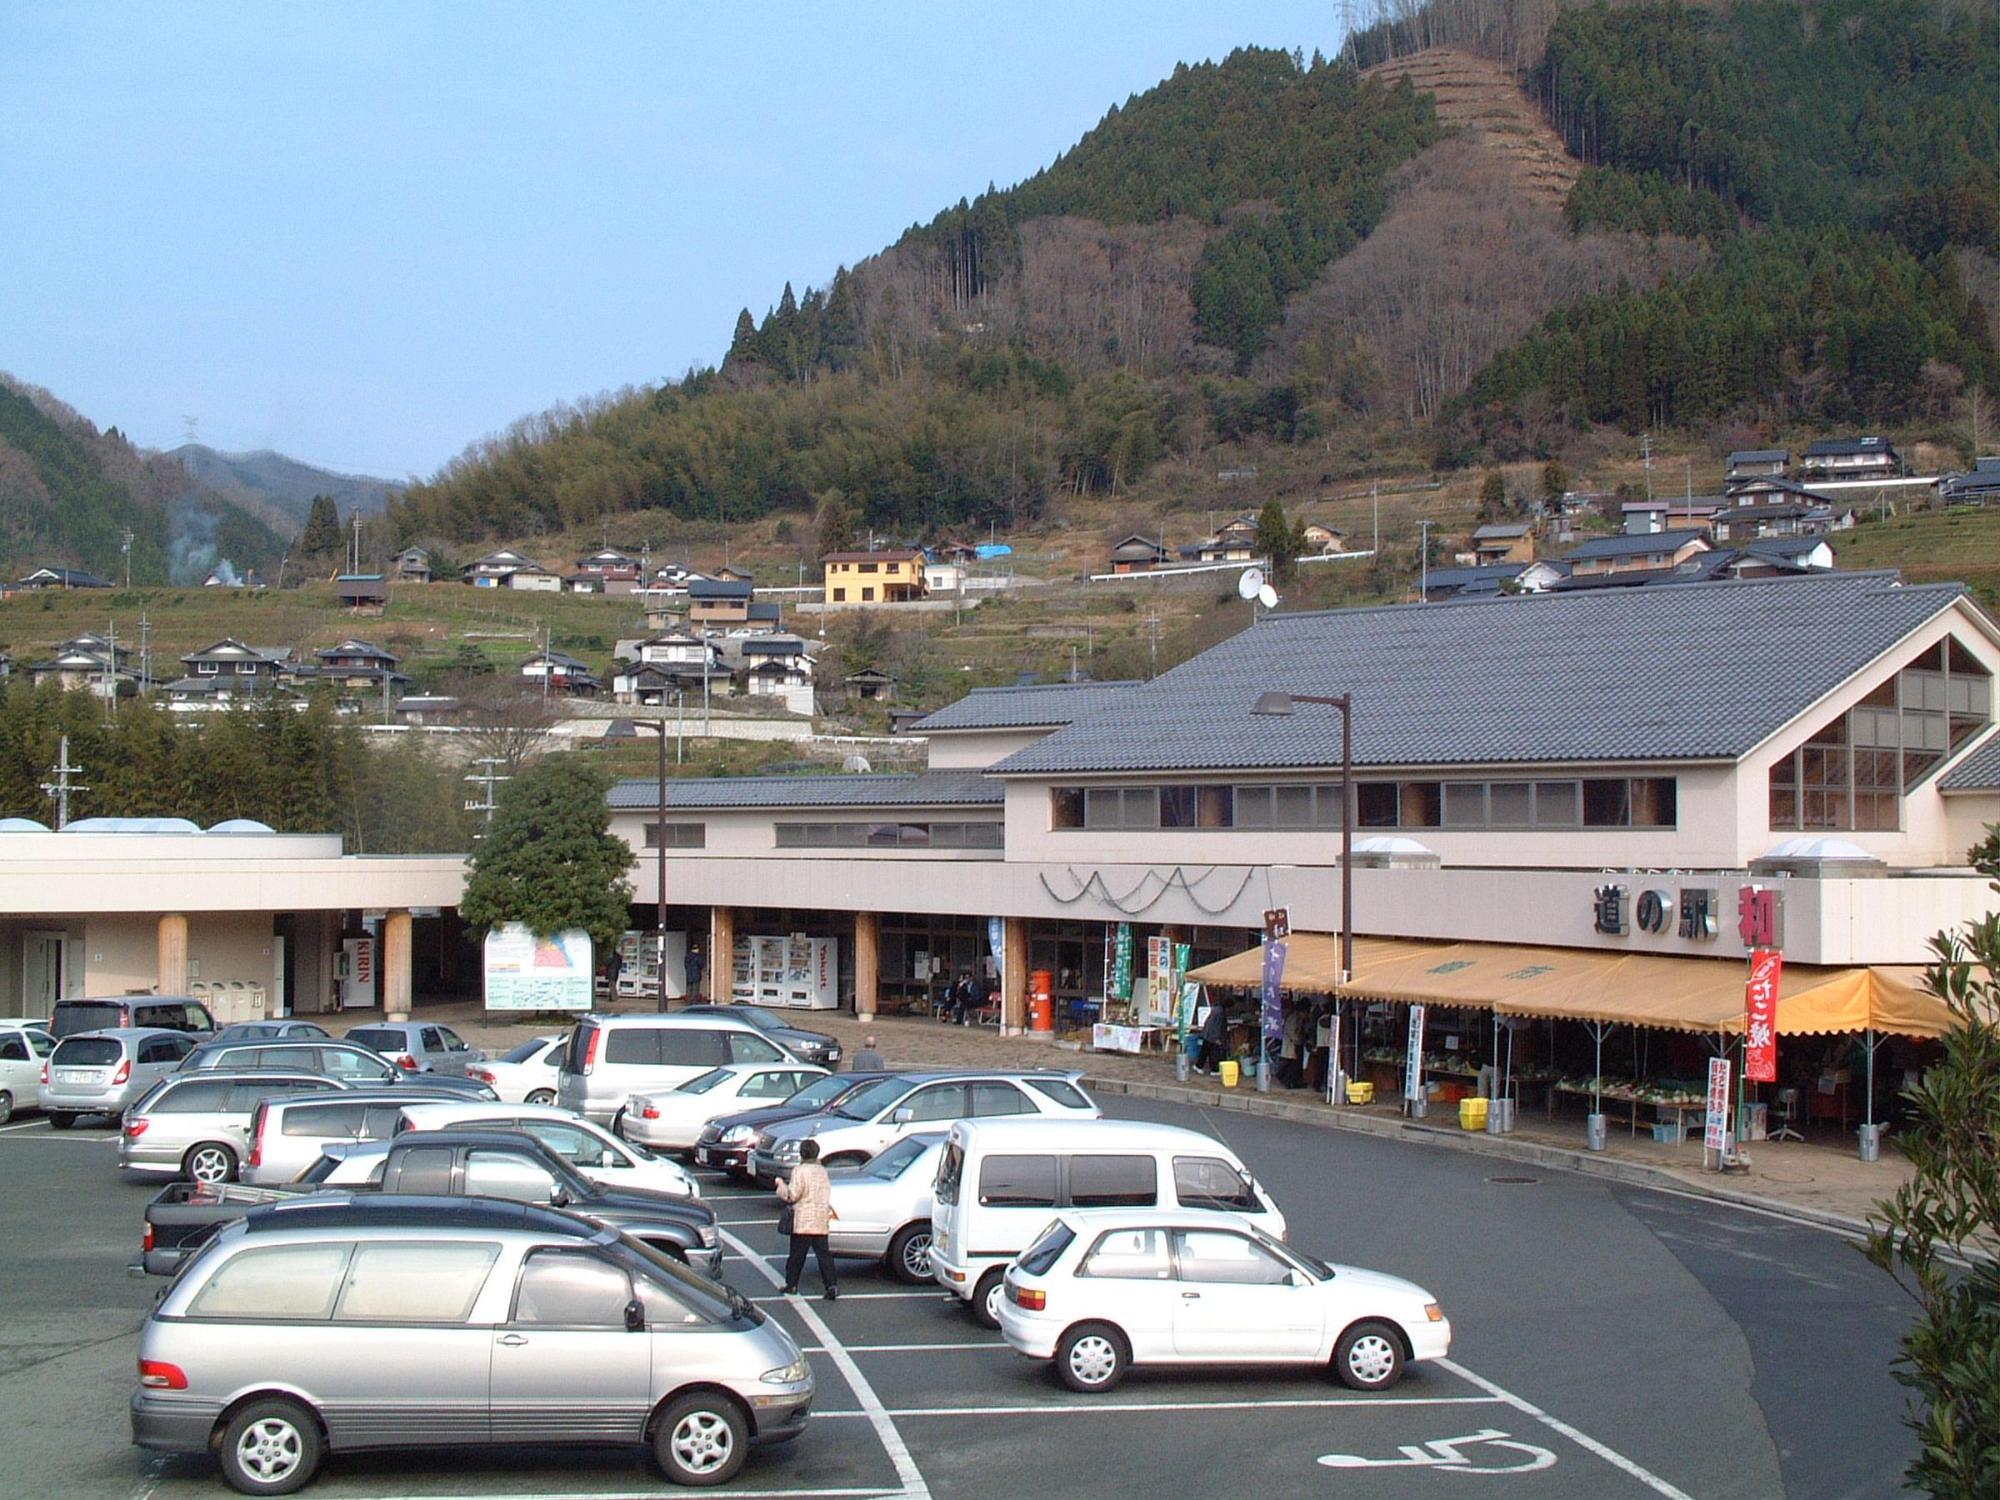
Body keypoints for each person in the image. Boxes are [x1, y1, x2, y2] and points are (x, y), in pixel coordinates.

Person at [775, 1138, 837, 1300]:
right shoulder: (822, 1171)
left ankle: (792, 1285)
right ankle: (831, 1285)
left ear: (802, 1154)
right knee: (824, 1255)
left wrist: (780, 1184)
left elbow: (792, 1195)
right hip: (820, 1218)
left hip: (803, 1219)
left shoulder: (800, 1171)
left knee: (796, 1255)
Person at [1200, 995, 1229, 1075]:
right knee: (1214, 1053)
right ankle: (1214, 1070)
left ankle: (1198, 1066)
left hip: (1207, 1033)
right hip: (1212, 1035)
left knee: (1205, 1050)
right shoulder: (1220, 1012)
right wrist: (1217, 1038)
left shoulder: (1216, 1009)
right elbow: (1217, 1026)